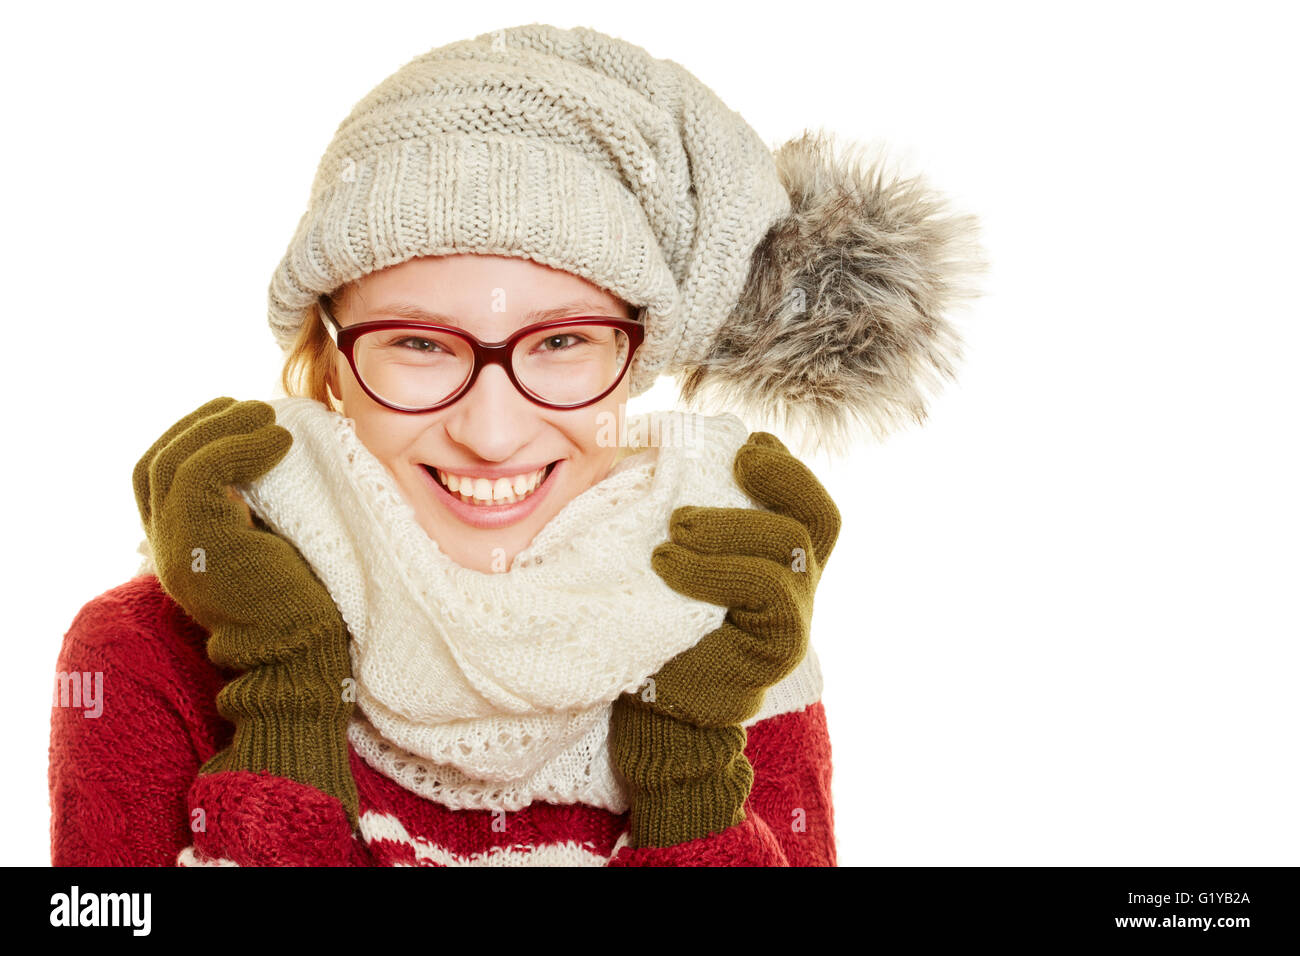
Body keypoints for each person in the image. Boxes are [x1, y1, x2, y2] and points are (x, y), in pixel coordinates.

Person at [49, 23, 984, 866]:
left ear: (635, 363)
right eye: (417, 343)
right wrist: (290, 703)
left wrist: (689, 784)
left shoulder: (727, 641)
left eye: (563, 342)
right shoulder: (144, 655)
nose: (492, 433)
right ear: (328, 361)